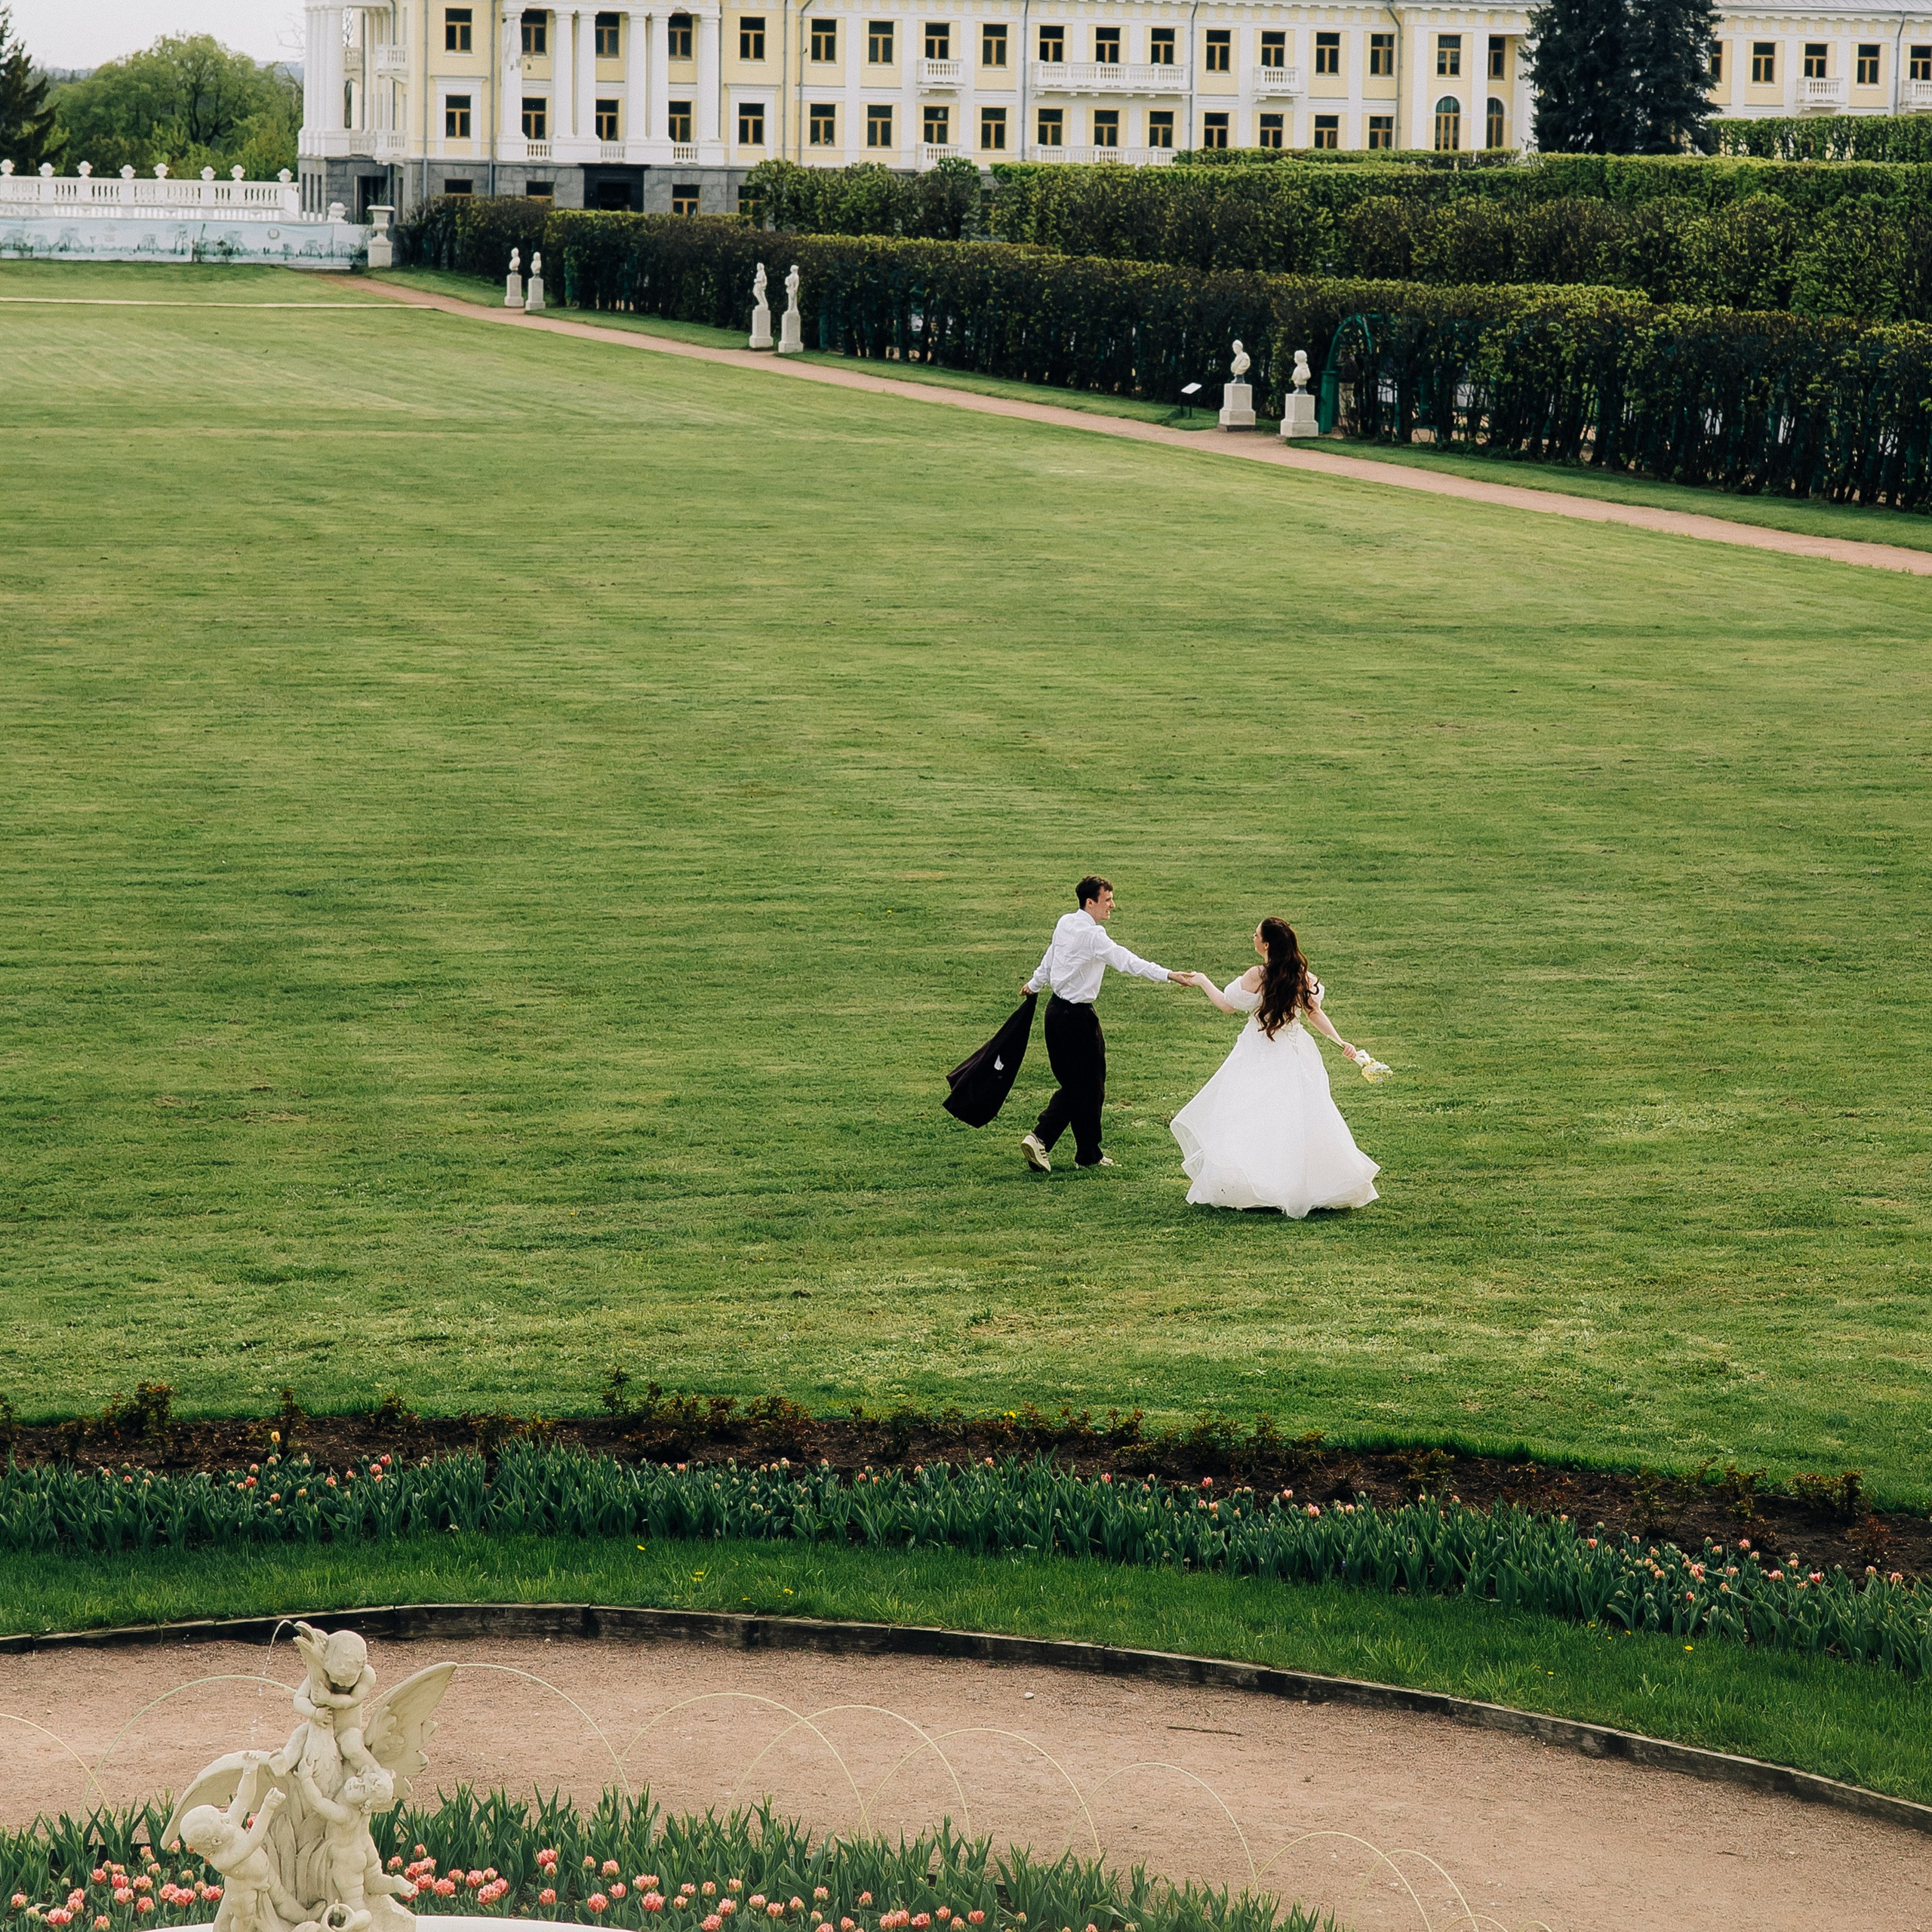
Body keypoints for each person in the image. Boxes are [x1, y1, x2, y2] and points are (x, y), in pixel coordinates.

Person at [1169, 918, 1380, 1216]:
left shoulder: (1257, 975)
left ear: (1266, 945)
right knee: (1300, 1114)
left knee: (1252, 1113)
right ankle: (1296, 1183)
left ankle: (1262, 1182)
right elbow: (1314, 1012)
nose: (1252, 937)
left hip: (1259, 1050)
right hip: (1295, 1050)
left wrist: (1203, 981)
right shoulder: (1301, 976)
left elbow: (1227, 1005)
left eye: (1255, 934)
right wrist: (1338, 1040)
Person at [1020, 875, 1189, 1174]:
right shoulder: (1095, 937)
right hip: (1078, 1019)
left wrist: (1034, 984)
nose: (1113, 905)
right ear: (1091, 902)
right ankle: (1041, 1137)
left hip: (1055, 1013)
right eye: (1107, 900)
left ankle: (1088, 1153)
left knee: (1083, 1086)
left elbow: (1051, 956)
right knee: (1085, 1086)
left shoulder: (1065, 922)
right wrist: (1168, 974)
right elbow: (1127, 961)